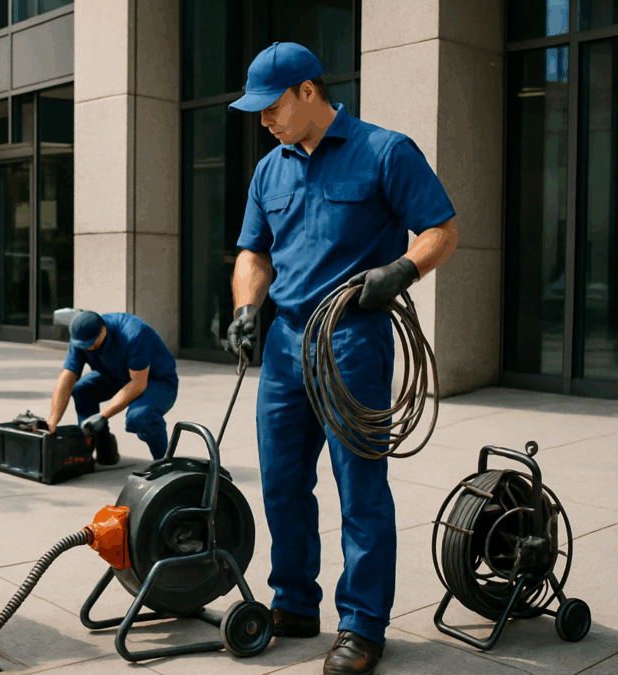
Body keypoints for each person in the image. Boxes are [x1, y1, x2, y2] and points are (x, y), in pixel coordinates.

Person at [224, 43, 459, 675]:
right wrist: (248, 308)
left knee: (360, 490)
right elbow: (253, 253)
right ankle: (295, 603)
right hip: (283, 346)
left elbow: (442, 228)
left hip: (353, 341)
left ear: (307, 92)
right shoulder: (269, 169)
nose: (264, 121)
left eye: (271, 107)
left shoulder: (385, 150)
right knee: (281, 484)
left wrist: (401, 271)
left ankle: (362, 626)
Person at [45, 311, 179, 465]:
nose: (88, 349)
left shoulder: (134, 334)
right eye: (84, 346)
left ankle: (165, 463)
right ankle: (104, 446)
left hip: (155, 380)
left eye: (93, 344)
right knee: (82, 390)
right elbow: (67, 377)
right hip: (114, 375)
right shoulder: (81, 338)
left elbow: (137, 384)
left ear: (103, 331)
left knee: (140, 417)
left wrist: (103, 416)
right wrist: (52, 422)